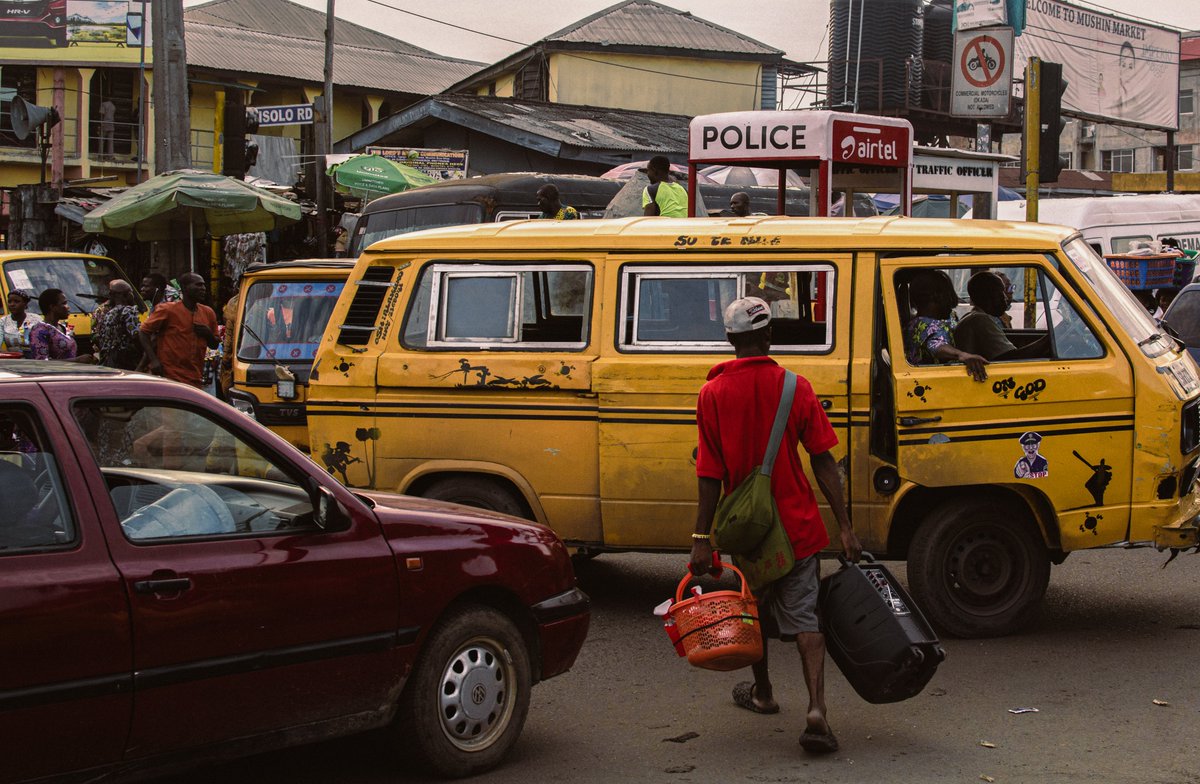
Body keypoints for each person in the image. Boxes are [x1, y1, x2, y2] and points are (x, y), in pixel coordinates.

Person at [689, 296, 861, 756]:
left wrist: (701, 540)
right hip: (798, 527)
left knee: (754, 614)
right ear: (769, 338)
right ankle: (817, 711)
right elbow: (824, 462)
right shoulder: (796, 387)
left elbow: (709, 474)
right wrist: (845, 526)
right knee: (805, 617)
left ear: (730, 341)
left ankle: (763, 693)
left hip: (750, 532)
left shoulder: (712, 395)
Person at [902, 269, 988, 381]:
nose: (951, 300)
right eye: (948, 294)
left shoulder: (939, 319)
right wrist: (962, 355)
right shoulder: (924, 325)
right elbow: (937, 345)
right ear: (936, 296)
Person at [138, 272, 219, 387]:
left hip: (195, 376)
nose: (203, 289)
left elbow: (214, 344)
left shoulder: (208, 313)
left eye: (203, 285)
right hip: (170, 376)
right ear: (185, 288)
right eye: (198, 285)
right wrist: (154, 360)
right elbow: (143, 332)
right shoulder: (167, 310)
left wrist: (208, 334)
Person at [954, 272, 1049, 361]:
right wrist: (1047, 341)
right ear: (988, 296)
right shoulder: (980, 320)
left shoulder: (974, 317)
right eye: (1000, 293)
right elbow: (1011, 358)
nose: (1005, 298)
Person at [29, 289, 92, 362]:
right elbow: (42, 362)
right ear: (52, 307)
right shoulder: (39, 331)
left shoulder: (63, 328)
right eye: (64, 303)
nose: (68, 307)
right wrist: (77, 360)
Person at [94, 280, 143, 369]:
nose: (132, 296)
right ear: (124, 295)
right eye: (131, 292)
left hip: (108, 361)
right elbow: (137, 336)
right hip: (124, 362)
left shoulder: (108, 314)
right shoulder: (128, 311)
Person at [0, 288, 42, 357]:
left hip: (34, 360)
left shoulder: (36, 319)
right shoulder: (3, 321)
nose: (12, 304)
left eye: (16, 301)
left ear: (25, 304)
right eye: (9, 301)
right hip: (12, 362)